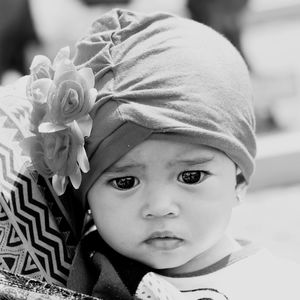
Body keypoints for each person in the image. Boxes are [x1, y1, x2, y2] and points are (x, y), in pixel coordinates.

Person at [23, 8, 299, 300]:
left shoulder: (276, 286)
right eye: (125, 182)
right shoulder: (85, 274)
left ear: (239, 179)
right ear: (86, 196)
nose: (159, 206)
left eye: (191, 176)